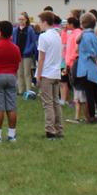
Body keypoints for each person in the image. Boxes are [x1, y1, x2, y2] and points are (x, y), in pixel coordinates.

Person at [35, 11, 63, 139]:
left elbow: (41, 58)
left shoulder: (44, 36)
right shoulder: (58, 35)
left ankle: (50, 130)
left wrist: (38, 75)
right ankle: (59, 129)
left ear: (45, 22)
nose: (39, 24)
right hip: (56, 72)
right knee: (55, 102)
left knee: (48, 103)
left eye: (40, 22)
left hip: (46, 72)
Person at [75, 14, 97, 124]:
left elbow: (90, 52)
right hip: (95, 69)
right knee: (96, 92)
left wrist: (96, 61)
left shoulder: (86, 36)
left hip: (87, 68)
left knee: (90, 94)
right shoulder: (94, 35)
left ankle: (92, 116)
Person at [13, 13, 37, 99]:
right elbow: (14, 41)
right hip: (18, 54)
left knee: (27, 73)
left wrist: (28, 50)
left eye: (22, 19)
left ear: (26, 20)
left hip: (27, 55)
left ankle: (28, 91)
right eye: (19, 19)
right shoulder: (15, 30)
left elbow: (33, 42)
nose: (21, 21)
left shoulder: (30, 30)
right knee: (19, 73)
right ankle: (20, 90)